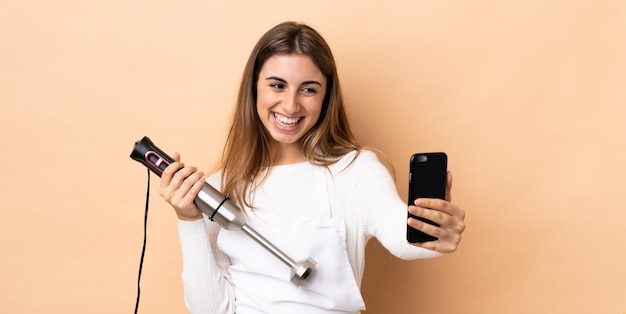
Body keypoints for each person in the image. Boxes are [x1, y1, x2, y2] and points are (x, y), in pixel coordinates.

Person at [159, 21, 465, 314]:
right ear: (253, 89)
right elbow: (211, 310)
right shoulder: (220, 188)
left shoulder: (355, 171)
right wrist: (189, 220)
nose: (291, 106)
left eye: (308, 89)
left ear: (326, 97)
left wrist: (433, 232)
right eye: (277, 85)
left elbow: (399, 234)